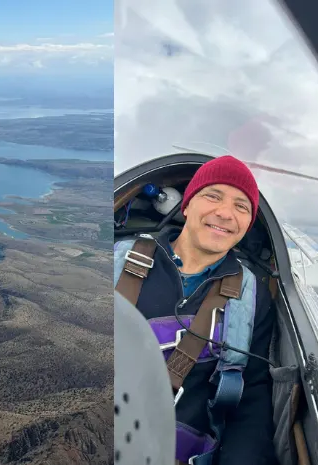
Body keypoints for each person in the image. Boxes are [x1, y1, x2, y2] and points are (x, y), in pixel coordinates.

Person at [113, 155, 277, 465]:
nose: (226, 213)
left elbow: (252, 399)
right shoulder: (117, 262)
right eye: (213, 196)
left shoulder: (251, 296)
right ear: (186, 205)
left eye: (242, 206)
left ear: (247, 224)